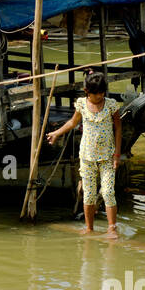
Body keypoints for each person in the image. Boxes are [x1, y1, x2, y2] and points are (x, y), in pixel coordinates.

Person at [46, 70, 122, 236]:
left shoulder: (110, 105)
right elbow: (73, 123)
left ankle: (112, 228)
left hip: (107, 157)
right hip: (87, 157)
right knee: (88, 195)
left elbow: (118, 129)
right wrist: (57, 133)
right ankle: (89, 228)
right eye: (96, 94)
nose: (100, 96)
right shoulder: (81, 104)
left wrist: (117, 155)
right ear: (87, 92)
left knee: (108, 192)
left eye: (102, 93)